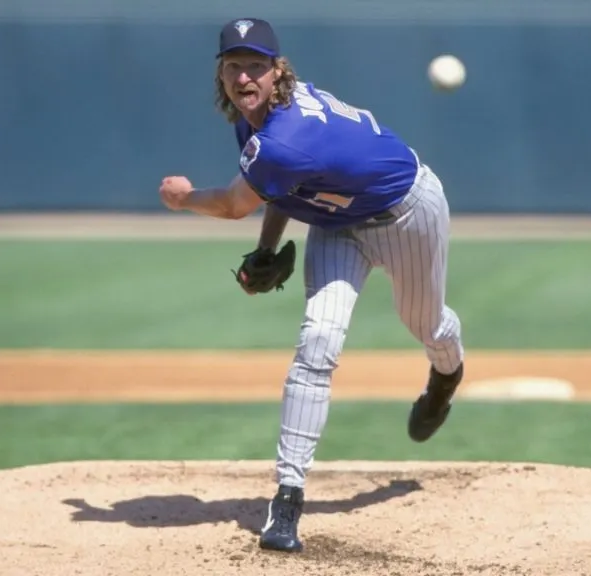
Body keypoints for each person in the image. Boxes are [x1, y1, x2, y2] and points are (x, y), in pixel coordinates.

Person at [157, 18, 466, 553]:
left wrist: (185, 199)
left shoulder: (287, 134)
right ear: (221, 74)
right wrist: (269, 248)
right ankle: (289, 496)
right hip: (336, 225)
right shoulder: (255, 124)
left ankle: (446, 372)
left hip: (406, 213)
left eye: (257, 65)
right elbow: (282, 190)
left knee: (425, 323)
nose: (244, 76)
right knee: (317, 343)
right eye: (234, 66)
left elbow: (234, 204)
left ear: (279, 72)